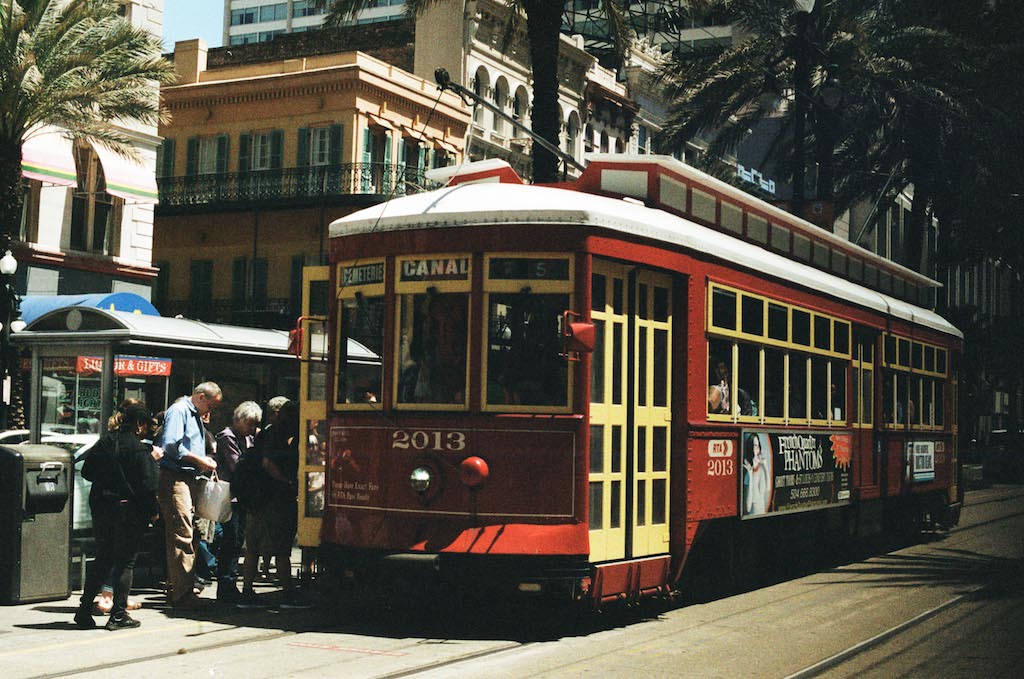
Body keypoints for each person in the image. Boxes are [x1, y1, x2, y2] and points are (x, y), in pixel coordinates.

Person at [74, 404, 161, 630]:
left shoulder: (105, 442)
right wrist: (153, 511)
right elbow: (149, 486)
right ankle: (118, 615)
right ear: (139, 424)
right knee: (126, 561)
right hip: (129, 512)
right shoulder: (140, 450)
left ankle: (84, 611)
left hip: (102, 507)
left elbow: (86, 472)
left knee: (103, 557)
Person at [237, 400, 307, 608]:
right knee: (282, 548)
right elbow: (268, 463)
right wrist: (287, 483)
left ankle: (247, 592)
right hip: (276, 498)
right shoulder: (282, 435)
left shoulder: (264, 433)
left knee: (253, 547)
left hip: (256, 498)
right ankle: (287, 594)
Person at [157, 382, 222, 610]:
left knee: (192, 533)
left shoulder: (193, 413)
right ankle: (182, 593)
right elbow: (172, 446)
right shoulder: (180, 411)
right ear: (201, 396)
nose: (209, 413)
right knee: (182, 533)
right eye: (210, 406)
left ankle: (181, 586)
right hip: (176, 477)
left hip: (189, 478)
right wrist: (199, 460)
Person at [213, 400, 263, 603]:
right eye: (249, 423)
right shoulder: (227, 437)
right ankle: (226, 586)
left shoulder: (249, 438)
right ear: (239, 420)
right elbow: (237, 466)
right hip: (230, 496)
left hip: (242, 496)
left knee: (237, 541)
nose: (252, 428)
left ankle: (231, 584)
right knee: (231, 540)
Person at [743, 433, 771, 516]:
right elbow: (748, 508)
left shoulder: (761, 469)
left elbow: (767, 489)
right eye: (755, 445)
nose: (757, 448)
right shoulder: (748, 475)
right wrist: (750, 475)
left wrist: (765, 466)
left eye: (758, 445)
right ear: (750, 448)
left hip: (762, 513)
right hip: (753, 514)